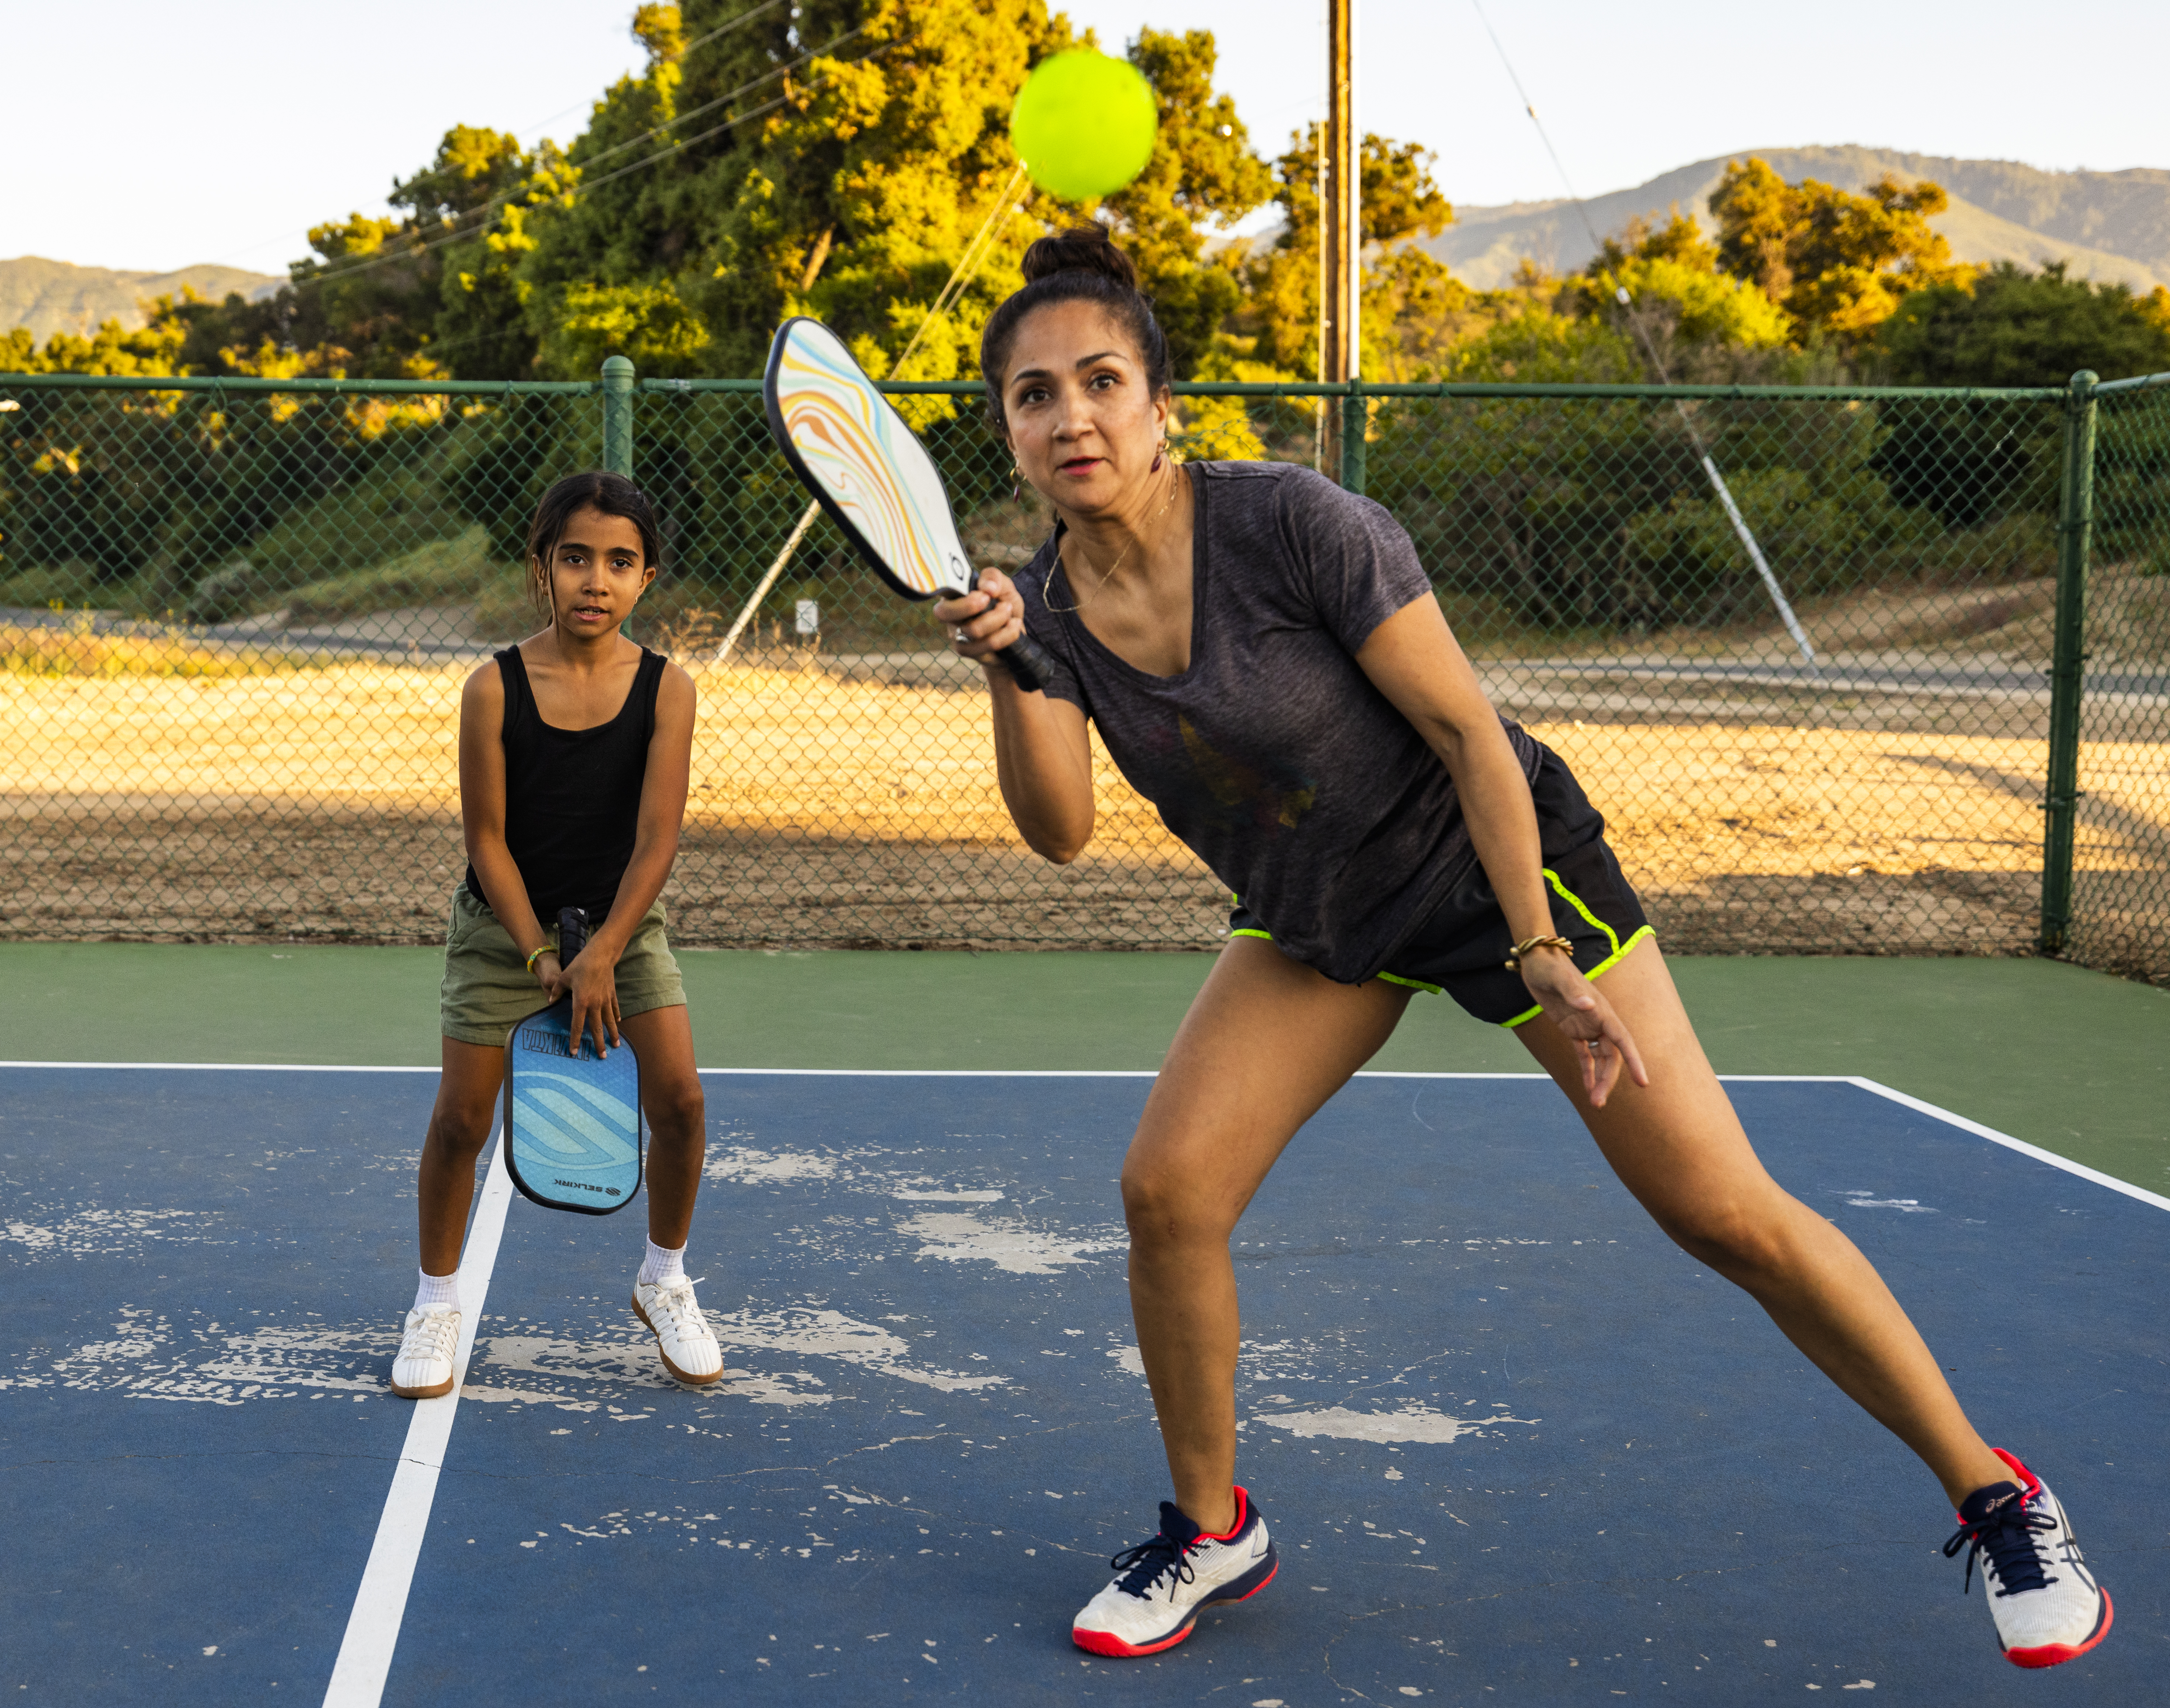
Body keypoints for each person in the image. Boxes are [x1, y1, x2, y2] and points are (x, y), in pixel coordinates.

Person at [932, 225, 2112, 1668]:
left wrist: (1542, 942)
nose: (1073, 417)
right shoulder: (1040, 608)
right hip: (1323, 921)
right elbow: (1058, 831)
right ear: (1005, 433)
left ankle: (2000, 1496)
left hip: (1499, 873)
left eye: (1102, 380)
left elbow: (1467, 735)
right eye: (1035, 396)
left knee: (1722, 1215)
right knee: (1167, 1193)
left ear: (1162, 402)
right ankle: (1212, 1529)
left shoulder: (1299, 526)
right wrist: (1006, 671)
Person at [390, 471, 722, 1399]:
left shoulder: (669, 691)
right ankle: (435, 1301)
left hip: (622, 925)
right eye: (575, 557)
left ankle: (664, 1280)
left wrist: (604, 952)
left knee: (684, 1103)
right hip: (506, 930)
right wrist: (542, 954)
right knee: (462, 1121)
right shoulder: (491, 689)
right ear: (542, 568)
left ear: (647, 579)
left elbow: (659, 838)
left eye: (620, 562)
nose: (595, 580)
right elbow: (486, 842)